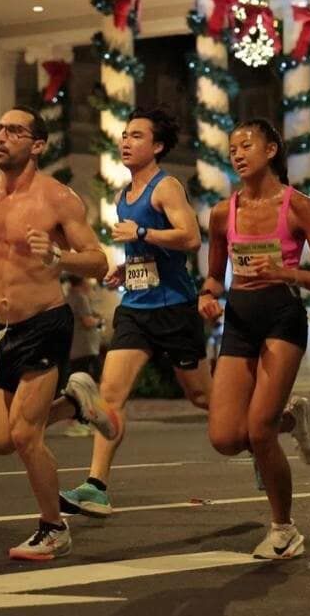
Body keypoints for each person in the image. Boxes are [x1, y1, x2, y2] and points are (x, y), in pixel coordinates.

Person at [0, 105, 119, 561]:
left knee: (24, 436)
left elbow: (98, 259)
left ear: (37, 145)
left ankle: (53, 528)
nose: (1, 136)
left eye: (14, 131)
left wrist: (59, 257)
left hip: (45, 324)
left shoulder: (58, 199)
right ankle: (77, 403)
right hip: (0, 330)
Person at [199, 118, 310, 559]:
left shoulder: (297, 206)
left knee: (258, 430)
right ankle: (291, 421)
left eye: (246, 145)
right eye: (232, 150)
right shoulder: (225, 213)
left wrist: (287, 273)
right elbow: (213, 277)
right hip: (240, 320)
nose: (238, 154)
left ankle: (284, 530)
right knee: (225, 437)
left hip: (282, 316)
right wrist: (208, 297)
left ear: (271, 151)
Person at [60, 107, 212, 517]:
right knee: (110, 396)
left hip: (175, 309)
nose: (126, 142)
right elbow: (149, 251)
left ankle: (256, 438)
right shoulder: (122, 197)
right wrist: (128, 268)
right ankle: (96, 486)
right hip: (136, 308)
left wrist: (142, 232)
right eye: (124, 135)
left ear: (157, 146)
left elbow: (192, 238)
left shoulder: (166, 188)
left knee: (202, 397)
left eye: (137, 136)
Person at [63, 275, 103, 436]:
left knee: (77, 385)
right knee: (91, 385)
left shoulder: (67, 297)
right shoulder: (80, 298)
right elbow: (87, 322)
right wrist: (98, 321)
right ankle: (82, 421)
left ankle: (82, 421)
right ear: (83, 281)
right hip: (85, 348)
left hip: (74, 348)